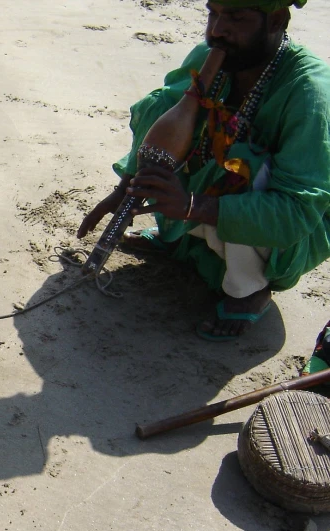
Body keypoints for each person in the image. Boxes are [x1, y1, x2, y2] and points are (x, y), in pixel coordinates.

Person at [77, 0, 330, 341]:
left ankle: (250, 288)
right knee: (173, 108)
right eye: (213, 13)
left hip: (291, 234)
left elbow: (296, 213)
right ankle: (181, 239)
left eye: (236, 18)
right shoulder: (210, 55)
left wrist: (192, 207)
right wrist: (126, 187)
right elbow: (160, 125)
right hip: (208, 199)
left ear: (276, 20)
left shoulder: (309, 91)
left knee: (243, 164)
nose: (217, 30)